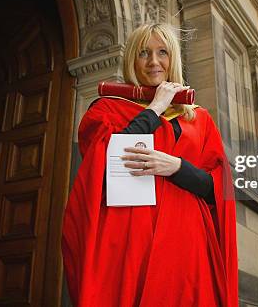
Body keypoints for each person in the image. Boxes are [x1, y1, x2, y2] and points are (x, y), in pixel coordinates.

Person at [62, 23, 238, 306]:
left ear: (173, 60)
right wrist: (155, 108)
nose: (154, 61)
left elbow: (215, 187)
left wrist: (177, 166)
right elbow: (107, 167)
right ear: (132, 59)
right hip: (129, 241)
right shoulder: (107, 109)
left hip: (185, 240)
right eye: (144, 53)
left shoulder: (200, 119)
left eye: (162, 52)